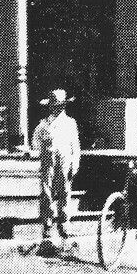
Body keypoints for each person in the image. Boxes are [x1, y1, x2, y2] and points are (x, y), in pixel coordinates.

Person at [33, 89, 81, 241]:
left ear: (65, 106)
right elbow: (35, 141)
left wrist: (75, 163)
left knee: (65, 191)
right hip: (49, 160)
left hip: (65, 160)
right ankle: (47, 223)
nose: (58, 109)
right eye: (55, 106)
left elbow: (75, 145)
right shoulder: (44, 123)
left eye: (61, 106)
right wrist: (42, 148)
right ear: (50, 107)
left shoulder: (70, 123)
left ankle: (64, 222)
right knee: (47, 191)